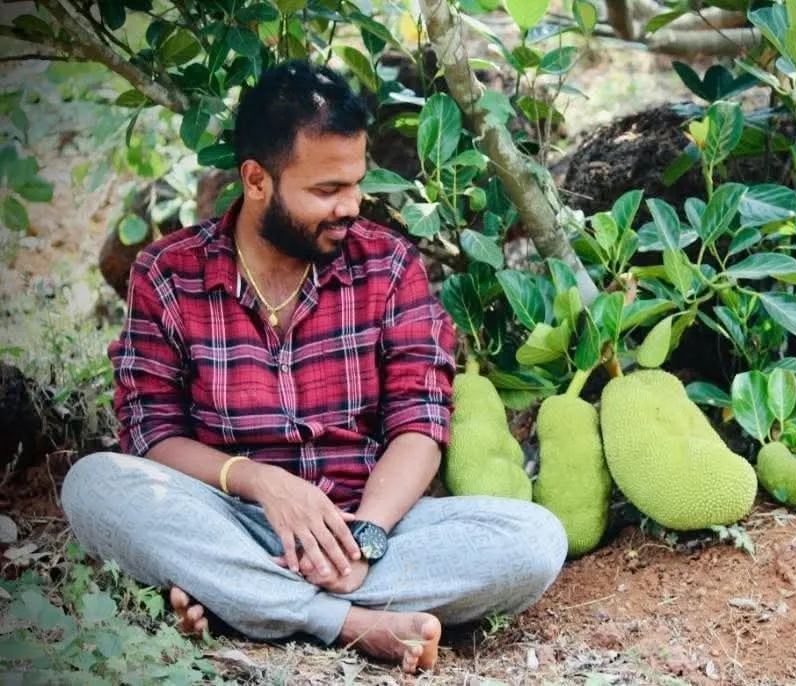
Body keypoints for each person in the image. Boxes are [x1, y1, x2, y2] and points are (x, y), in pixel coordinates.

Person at [59, 60, 568, 674]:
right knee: (93, 485)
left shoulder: (388, 266)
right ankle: (351, 625)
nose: (350, 206)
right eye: (326, 191)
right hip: (224, 517)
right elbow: (151, 435)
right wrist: (265, 484)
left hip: (364, 526)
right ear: (256, 181)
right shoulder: (169, 273)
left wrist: (367, 537)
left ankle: (235, 601)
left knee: (535, 540)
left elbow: (420, 423)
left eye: (355, 183)